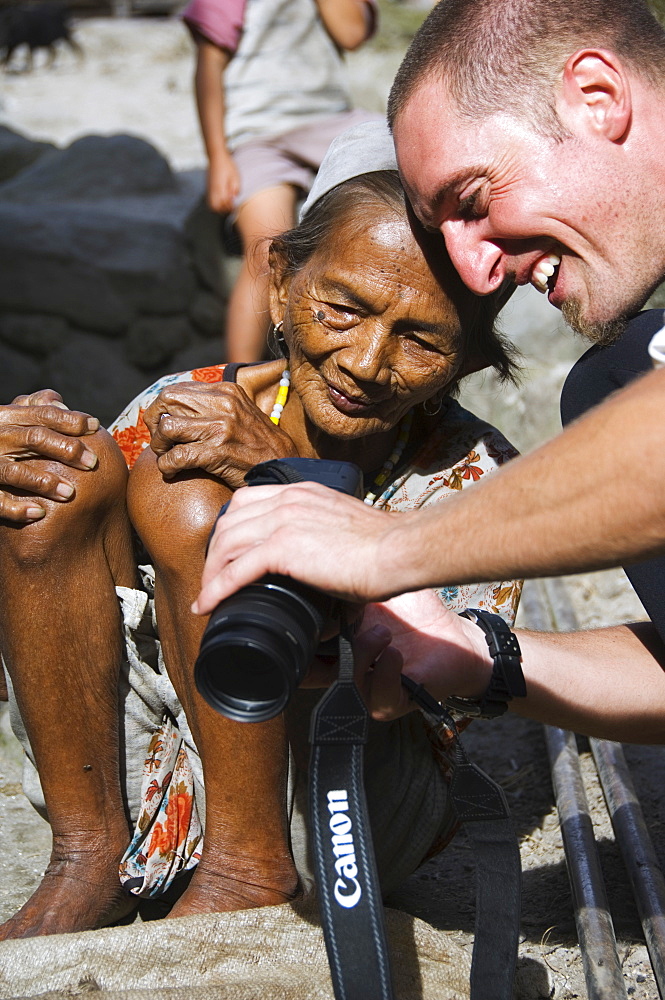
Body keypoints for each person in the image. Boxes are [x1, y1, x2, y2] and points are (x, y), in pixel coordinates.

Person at [0, 121, 522, 939]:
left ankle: (250, 869)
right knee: (69, 477)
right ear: (279, 281)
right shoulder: (189, 400)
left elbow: (448, 695)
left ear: (466, 362)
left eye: (421, 340)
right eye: (341, 308)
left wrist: (285, 476)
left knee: (194, 501)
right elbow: (53, 601)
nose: (364, 361)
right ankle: (89, 854)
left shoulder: (474, 479)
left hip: (340, 794)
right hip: (158, 756)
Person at [193, 0, 665, 741]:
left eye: (472, 198)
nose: (478, 272)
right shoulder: (624, 372)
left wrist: (384, 548)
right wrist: (480, 657)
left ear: (596, 98)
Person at [183, 0, 379, 363]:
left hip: (329, 123)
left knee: (397, 163)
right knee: (266, 251)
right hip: (257, 135)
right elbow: (208, 65)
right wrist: (218, 158)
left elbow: (351, 33)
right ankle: (235, 382)